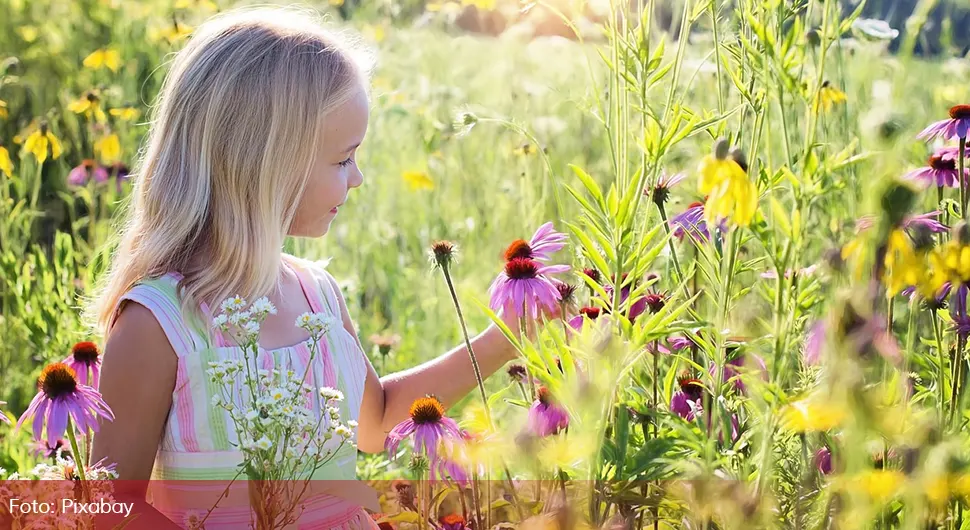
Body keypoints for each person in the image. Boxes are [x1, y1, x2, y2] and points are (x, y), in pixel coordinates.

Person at [87, 7, 545, 528]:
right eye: (343, 159)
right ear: (266, 164)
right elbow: (109, 507)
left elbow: (373, 423)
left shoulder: (316, 296)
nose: (358, 179)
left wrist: (504, 337)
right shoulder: (160, 324)